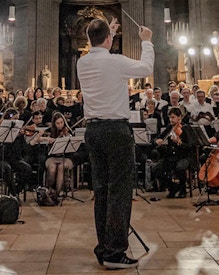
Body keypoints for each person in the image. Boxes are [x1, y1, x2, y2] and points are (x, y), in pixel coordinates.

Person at [76, 17, 154, 269]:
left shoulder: (82, 62)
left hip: (94, 131)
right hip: (116, 130)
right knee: (120, 190)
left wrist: (108, 33)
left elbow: (99, 46)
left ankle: (104, 246)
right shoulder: (116, 61)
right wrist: (147, 42)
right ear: (109, 39)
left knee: (101, 190)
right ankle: (115, 251)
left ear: (89, 40)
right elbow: (145, 68)